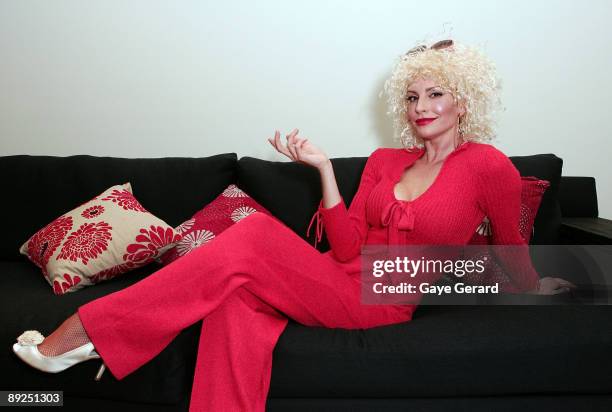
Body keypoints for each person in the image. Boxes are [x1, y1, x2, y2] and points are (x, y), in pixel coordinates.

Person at [12, 39, 576, 411]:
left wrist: (534, 285)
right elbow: (347, 244)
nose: (420, 106)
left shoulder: (486, 166)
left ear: (464, 100)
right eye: (411, 96)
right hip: (336, 275)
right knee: (234, 304)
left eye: (435, 93)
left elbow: (512, 248)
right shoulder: (384, 162)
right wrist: (326, 171)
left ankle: (87, 332)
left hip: (387, 293)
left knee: (253, 237)